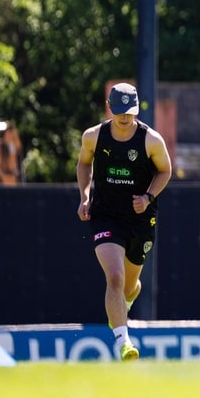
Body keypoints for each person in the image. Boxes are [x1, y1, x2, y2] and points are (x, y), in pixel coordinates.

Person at [76, 83, 172, 361]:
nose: (124, 118)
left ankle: (125, 300)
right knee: (115, 277)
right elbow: (83, 164)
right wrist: (84, 196)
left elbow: (165, 171)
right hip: (105, 215)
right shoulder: (93, 136)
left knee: (129, 286)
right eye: (119, 112)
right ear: (109, 107)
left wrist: (148, 196)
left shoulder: (151, 140)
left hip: (140, 219)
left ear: (137, 109)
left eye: (129, 112)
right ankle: (123, 342)